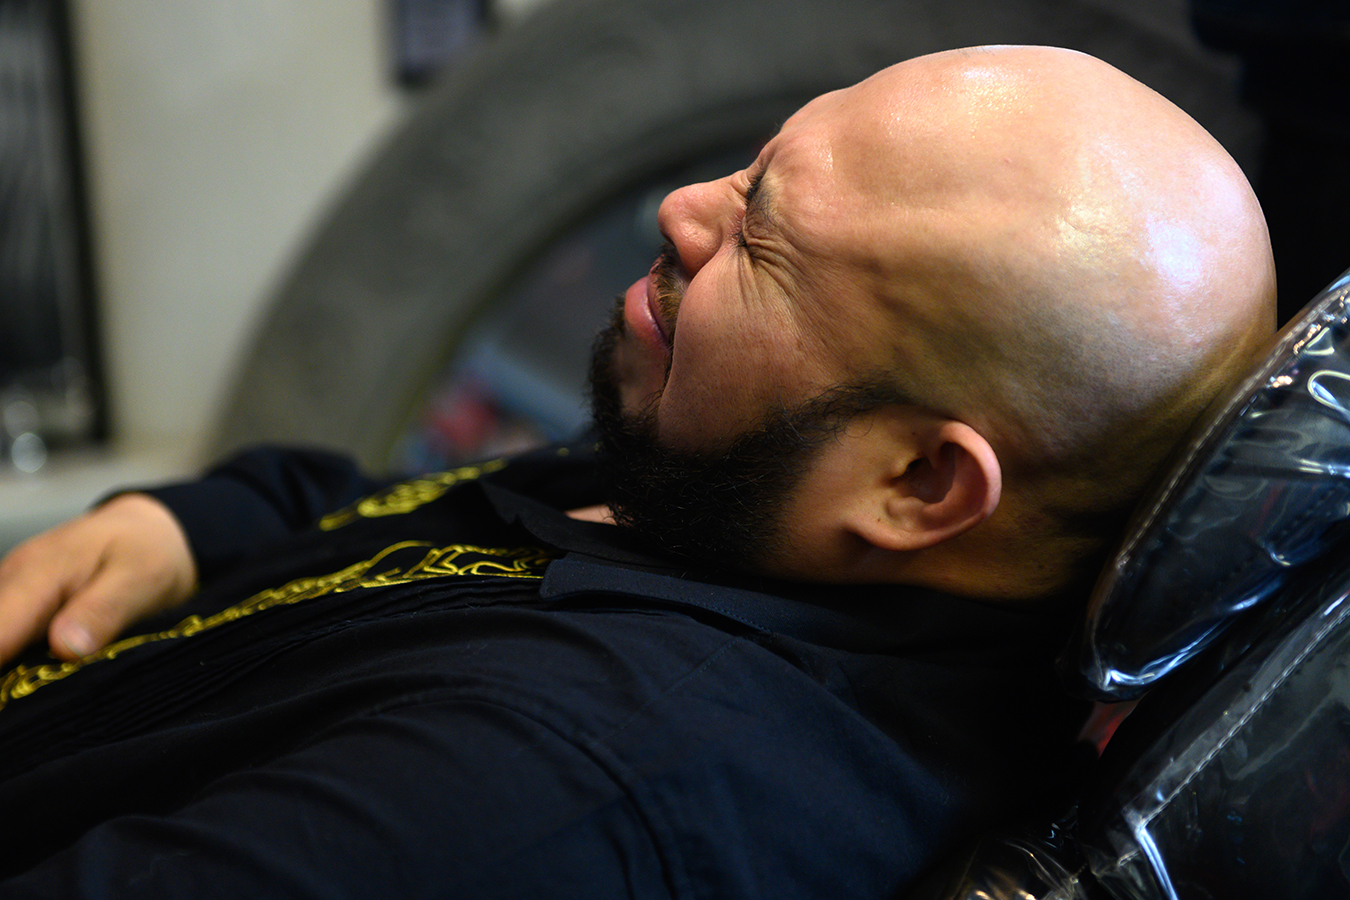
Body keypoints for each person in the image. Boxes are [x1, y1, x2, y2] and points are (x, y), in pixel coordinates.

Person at [0, 45, 1273, 897]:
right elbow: (380, 506)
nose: (682, 207)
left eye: (764, 242)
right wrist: (187, 526)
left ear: (921, 488)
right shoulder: (745, 495)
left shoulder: (560, 791)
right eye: (755, 168)